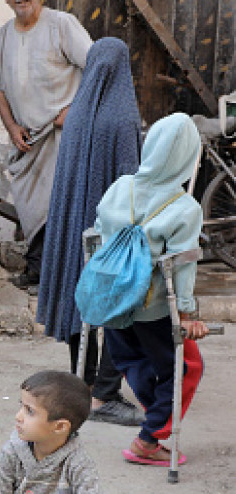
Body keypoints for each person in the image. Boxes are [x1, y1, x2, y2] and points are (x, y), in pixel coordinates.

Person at [37, 38, 146, 427]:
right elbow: (133, 181)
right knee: (122, 305)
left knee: (77, 299)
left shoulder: (77, 113)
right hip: (110, 231)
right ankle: (104, 394)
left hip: (72, 227)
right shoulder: (123, 118)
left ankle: (81, 384)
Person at [95, 113, 210, 466]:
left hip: (111, 301)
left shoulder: (120, 187)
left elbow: (98, 234)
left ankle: (155, 419)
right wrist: (187, 315)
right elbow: (183, 268)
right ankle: (150, 438)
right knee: (187, 367)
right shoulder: (184, 209)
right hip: (153, 309)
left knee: (134, 360)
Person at [0, 0, 92, 292]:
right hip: (27, 141)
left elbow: (96, 67)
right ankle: (38, 269)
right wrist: (11, 127)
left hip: (62, 136)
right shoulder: (2, 36)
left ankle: (49, 274)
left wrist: (74, 111)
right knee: (31, 209)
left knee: (57, 204)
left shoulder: (62, 25)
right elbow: (0, 90)